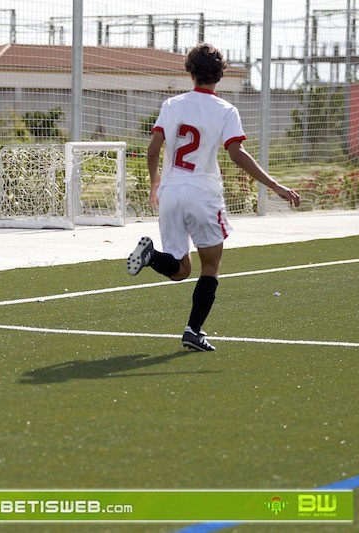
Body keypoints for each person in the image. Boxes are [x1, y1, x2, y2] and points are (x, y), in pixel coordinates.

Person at [126, 43, 301, 352]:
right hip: (202, 194)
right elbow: (237, 154)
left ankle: (152, 257)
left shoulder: (171, 105)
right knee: (210, 267)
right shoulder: (225, 110)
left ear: (189, 71)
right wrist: (276, 186)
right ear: (220, 74)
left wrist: (155, 182)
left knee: (180, 269)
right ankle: (193, 330)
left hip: (170, 193)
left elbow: (154, 149)